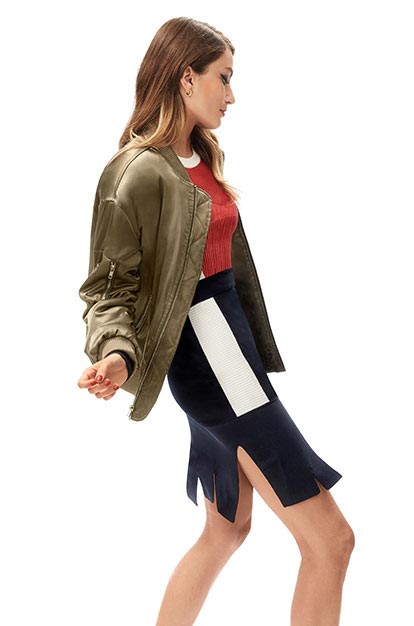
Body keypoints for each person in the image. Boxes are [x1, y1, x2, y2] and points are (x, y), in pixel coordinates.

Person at [77, 16, 355, 626]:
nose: (232, 94)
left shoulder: (199, 155)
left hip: (231, 350)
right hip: (212, 359)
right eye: (223, 78)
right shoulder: (137, 171)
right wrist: (117, 353)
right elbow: (109, 286)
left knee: (226, 530)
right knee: (331, 541)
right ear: (186, 78)